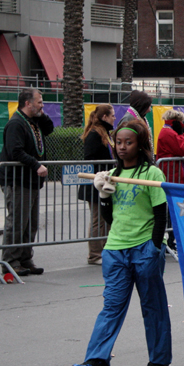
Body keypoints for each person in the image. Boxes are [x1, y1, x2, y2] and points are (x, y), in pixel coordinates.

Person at [71, 119, 171, 366]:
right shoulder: (112, 174)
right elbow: (110, 218)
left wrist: (155, 247)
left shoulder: (152, 174)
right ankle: (95, 362)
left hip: (145, 249)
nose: (122, 147)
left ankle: (159, 359)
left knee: (153, 306)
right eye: (119, 142)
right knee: (111, 307)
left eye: (129, 142)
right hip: (115, 250)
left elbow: (161, 215)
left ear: (140, 145)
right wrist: (104, 195)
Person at [0, 89, 54, 277]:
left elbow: (49, 129)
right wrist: (36, 164)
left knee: (31, 223)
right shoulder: (16, 123)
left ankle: (25, 258)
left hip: (31, 180)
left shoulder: (34, 121)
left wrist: (42, 114)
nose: (42, 105)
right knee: (17, 222)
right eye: (39, 102)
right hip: (17, 180)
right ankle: (10, 262)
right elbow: (16, 151)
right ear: (27, 103)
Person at [78, 104, 116, 265]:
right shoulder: (95, 133)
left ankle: (105, 249)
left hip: (105, 182)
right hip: (95, 183)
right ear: (104, 117)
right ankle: (94, 254)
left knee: (105, 218)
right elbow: (90, 158)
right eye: (112, 115)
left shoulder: (106, 133)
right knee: (97, 219)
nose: (114, 118)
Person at [155, 109, 184, 251]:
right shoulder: (169, 133)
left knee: (172, 208)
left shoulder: (169, 131)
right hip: (171, 173)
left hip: (174, 172)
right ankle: (170, 239)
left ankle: (171, 238)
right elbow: (182, 149)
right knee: (171, 208)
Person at [119, 90, 154, 154]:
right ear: (143, 105)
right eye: (149, 105)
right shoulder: (128, 118)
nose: (150, 108)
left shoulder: (142, 118)